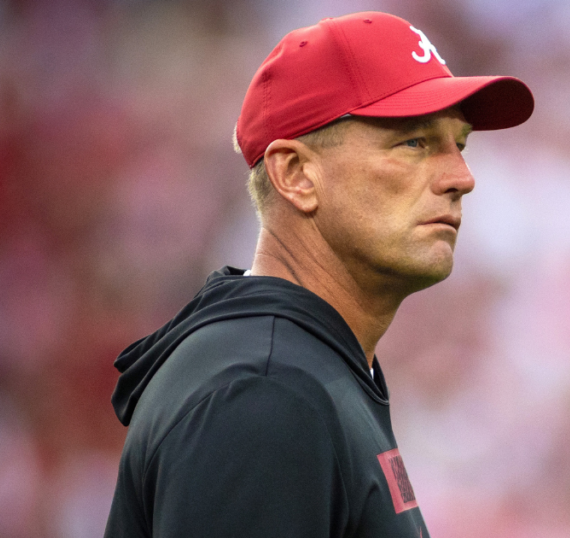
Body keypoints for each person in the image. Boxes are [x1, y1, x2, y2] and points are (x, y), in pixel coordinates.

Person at [103, 11, 533, 537]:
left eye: (459, 145)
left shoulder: (295, 368)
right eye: (414, 143)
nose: (461, 178)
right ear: (296, 174)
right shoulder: (264, 394)